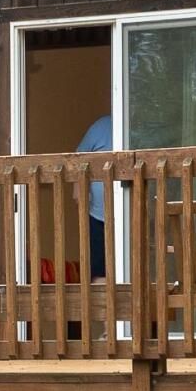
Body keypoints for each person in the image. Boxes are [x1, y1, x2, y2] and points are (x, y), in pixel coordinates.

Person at [76, 112, 112, 279]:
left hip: (130, 215)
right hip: (98, 214)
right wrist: (78, 192)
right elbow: (78, 159)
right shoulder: (101, 126)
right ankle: (101, 304)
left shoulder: (138, 128)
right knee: (98, 267)